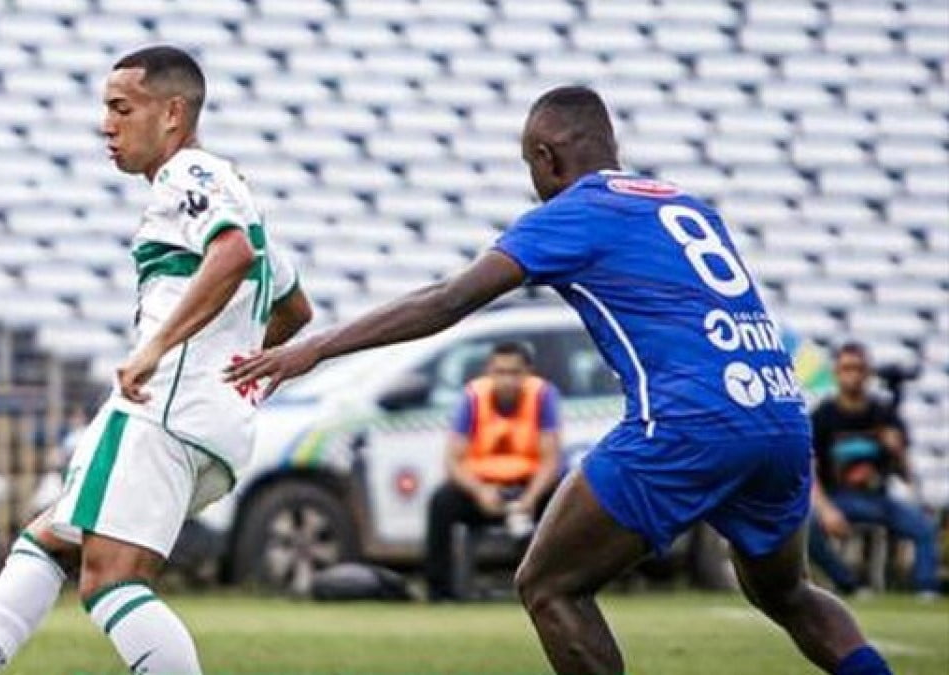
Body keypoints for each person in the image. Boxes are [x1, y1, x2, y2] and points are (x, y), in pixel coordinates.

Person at [227, 86, 893, 675]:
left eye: (530, 166)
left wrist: (313, 349)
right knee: (788, 592)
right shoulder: (682, 202)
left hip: (691, 421)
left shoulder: (578, 210)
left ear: (547, 158)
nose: (533, 182)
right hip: (779, 414)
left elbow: (449, 298)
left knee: (548, 583)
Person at [0, 46, 312, 675]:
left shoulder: (189, 176)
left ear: (173, 113)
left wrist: (156, 348)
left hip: (160, 411)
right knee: (51, 536)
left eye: (122, 108)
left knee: (110, 580)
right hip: (213, 426)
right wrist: (239, 378)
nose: (105, 125)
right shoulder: (241, 200)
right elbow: (294, 309)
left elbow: (231, 256)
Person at [426, 341, 561, 601]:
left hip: (530, 488)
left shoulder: (542, 396)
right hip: (484, 490)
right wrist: (480, 492)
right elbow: (453, 460)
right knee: (441, 502)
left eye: (514, 372)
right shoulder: (473, 397)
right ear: (488, 371)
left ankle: (553, 588)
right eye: (500, 372)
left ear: (527, 373)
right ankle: (440, 592)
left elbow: (551, 460)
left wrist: (529, 500)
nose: (507, 380)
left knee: (562, 501)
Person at [808, 343, 940, 598]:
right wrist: (825, 509)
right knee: (807, 528)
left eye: (859, 368)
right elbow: (809, 470)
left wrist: (897, 450)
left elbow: (904, 474)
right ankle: (849, 584)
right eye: (847, 368)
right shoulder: (823, 416)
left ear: (868, 373)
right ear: (836, 372)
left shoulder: (884, 413)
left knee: (924, 527)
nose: (853, 375)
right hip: (838, 497)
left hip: (878, 498)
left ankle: (926, 590)